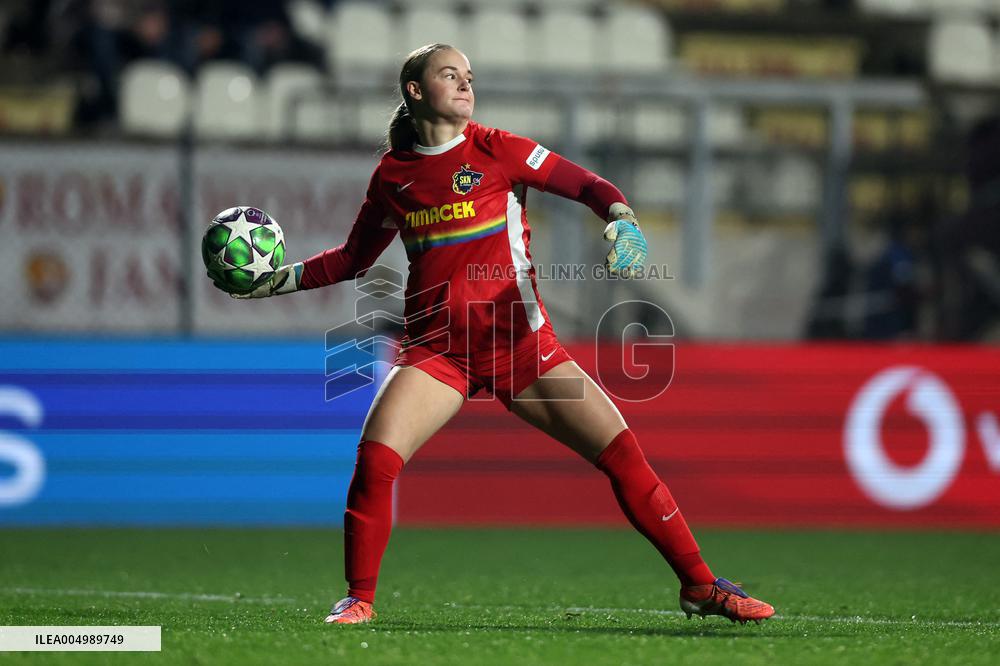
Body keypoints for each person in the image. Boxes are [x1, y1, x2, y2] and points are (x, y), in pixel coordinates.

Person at [221, 44, 775, 626]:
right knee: (375, 463)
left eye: (469, 76)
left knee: (624, 458)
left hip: (522, 348)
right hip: (439, 353)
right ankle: (359, 599)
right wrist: (269, 284)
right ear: (415, 90)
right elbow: (352, 260)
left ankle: (701, 585)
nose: (465, 84)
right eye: (449, 75)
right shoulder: (393, 177)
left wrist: (623, 220)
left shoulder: (499, 149)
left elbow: (590, 185)